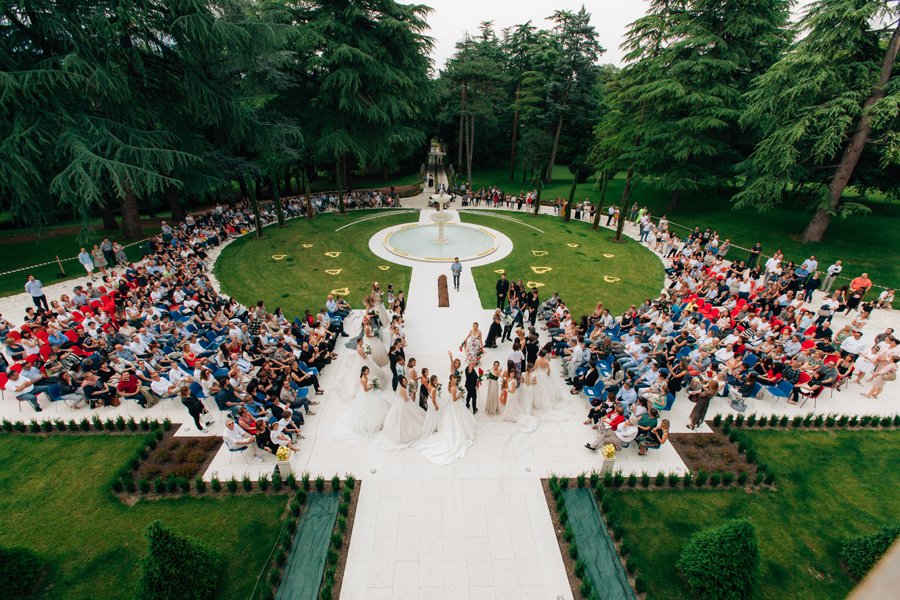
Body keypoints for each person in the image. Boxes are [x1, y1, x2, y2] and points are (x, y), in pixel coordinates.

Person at [418, 374, 478, 466]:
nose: (455, 380)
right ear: (450, 380)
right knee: (457, 418)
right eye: (453, 379)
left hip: (453, 404)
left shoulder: (453, 386)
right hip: (455, 404)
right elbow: (454, 399)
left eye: (455, 378)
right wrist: (461, 394)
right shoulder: (453, 388)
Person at [331, 366, 391, 443]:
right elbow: (365, 390)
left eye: (367, 371)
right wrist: (371, 386)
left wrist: (371, 384)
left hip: (370, 392)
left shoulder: (366, 377)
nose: (367, 372)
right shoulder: (363, 379)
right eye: (365, 371)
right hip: (366, 394)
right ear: (363, 372)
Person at [382, 375, 426, 445]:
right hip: (404, 403)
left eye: (405, 381)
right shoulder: (404, 389)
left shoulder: (399, 387)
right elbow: (406, 400)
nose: (405, 382)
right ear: (401, 382)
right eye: (404, 381)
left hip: (399, 402)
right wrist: (410, 396)